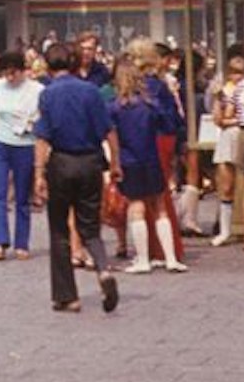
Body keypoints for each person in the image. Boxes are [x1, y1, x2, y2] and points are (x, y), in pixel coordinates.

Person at [34, 43, 121, 313]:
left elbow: (42, 137)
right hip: (90, 162)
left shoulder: (48, 95)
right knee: (89, 226)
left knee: (59, 228)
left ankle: (67, 295)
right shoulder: (91, 92)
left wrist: (38, 173)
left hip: (61, 162)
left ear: (49, 67)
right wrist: (115, 163)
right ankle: (103, 269)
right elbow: (109, 131)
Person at [110, 57, 187, 275]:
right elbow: (169, 125)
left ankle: (142, 259)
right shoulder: (151, 105)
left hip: (128, 161)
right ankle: (170, 258)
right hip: (151, 158)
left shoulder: (115, 108)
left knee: (136, 207)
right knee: (160, 207)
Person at [0, 50, 43, 261]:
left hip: (25, 143)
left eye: (13, 72)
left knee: (22, 196)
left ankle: (22, 243)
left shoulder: (37, 90)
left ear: (23, 70)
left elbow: (42, 119)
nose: (9, 77)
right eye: (6, 73)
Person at [208, 53, 244, 246]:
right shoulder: (223, 91)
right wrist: (218, 99)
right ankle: (225, 230)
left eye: (241, 72)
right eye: (233, 72)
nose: (237, 76)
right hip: (227, 138)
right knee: (226, 186)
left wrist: (232, 120)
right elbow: (218, 120)